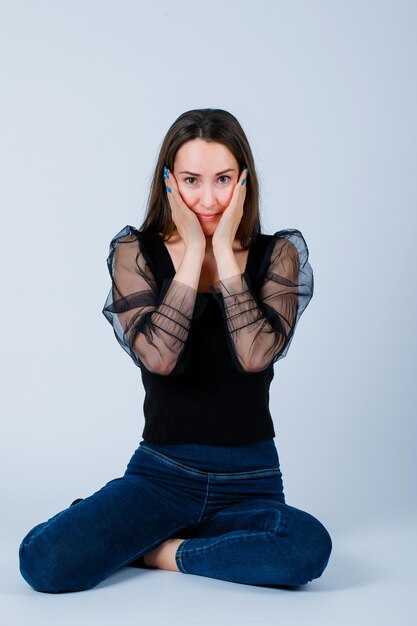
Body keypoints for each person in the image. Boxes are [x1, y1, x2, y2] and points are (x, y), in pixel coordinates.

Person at [18, 108, 332, 593]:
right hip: (162, 477)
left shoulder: (279, 254)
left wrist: (225, 252)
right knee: (44, 562)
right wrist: (189, 257)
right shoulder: (135, 252)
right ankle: (149, 529)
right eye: (191, 181)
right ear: (169, 183)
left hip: (251, 478)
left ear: (244, 181)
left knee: (306, 547)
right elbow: (159, 358)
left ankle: (157, 549)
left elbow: (254, 356)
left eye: (223, 179)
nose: (208, 199)